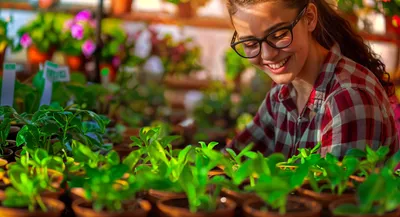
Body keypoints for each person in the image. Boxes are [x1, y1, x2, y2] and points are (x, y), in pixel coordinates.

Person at [226, 0, 399, 158]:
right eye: (250, 44)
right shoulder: (281, 96)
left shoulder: (348, 97)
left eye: (278, 35)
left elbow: (336, 190)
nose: (267, 54)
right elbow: (232, 158)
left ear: (309, 18)